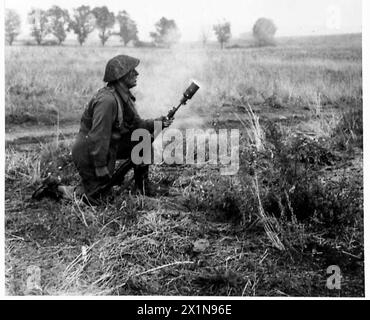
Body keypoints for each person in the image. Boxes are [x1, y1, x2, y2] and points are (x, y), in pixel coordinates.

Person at [33, 54, 172, 203]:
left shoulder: (123, 96)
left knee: (142, 138)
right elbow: (98, 136)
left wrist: (158, 122)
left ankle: (142, 186)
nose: (136, 74)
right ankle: (55, 189)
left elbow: (137, 125)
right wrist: (100, 167)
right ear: (121, 75)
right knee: (98, 198)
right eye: (132, 71)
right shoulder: (107, 101)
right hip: (89, 152)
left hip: (107, 148)